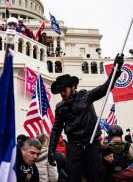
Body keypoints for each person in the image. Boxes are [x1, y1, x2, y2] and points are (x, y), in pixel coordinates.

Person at [48, 54, 124, 182]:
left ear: (72, 87)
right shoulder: (60, 107)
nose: (62, 93)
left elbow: (105, 88)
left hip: (91, 144)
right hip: (73, 146)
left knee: (94, 177)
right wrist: (51, 150)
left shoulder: (86, 96)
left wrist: (116, 70)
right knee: (73, 178)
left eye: (64, 89)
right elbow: (56, 130)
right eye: (60, 90)